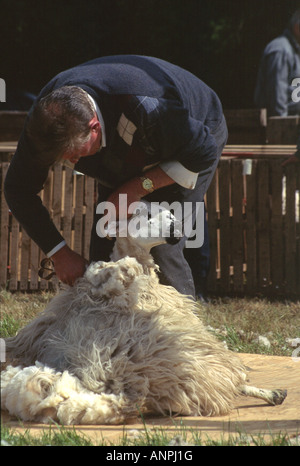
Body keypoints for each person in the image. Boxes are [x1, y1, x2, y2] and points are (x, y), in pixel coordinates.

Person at [4, 55, 227, 298]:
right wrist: (59, 253)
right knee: (106, 241)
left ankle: (180, 324)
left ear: (94, 127)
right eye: (62, 159)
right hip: (127, 138)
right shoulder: (44, 124)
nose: (72, 163)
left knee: (161, 243)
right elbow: (18, 189)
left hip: (191, 136)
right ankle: (108, 322)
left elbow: (203, 150)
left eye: (76, 155)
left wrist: (136, 188)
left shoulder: (147, 106)